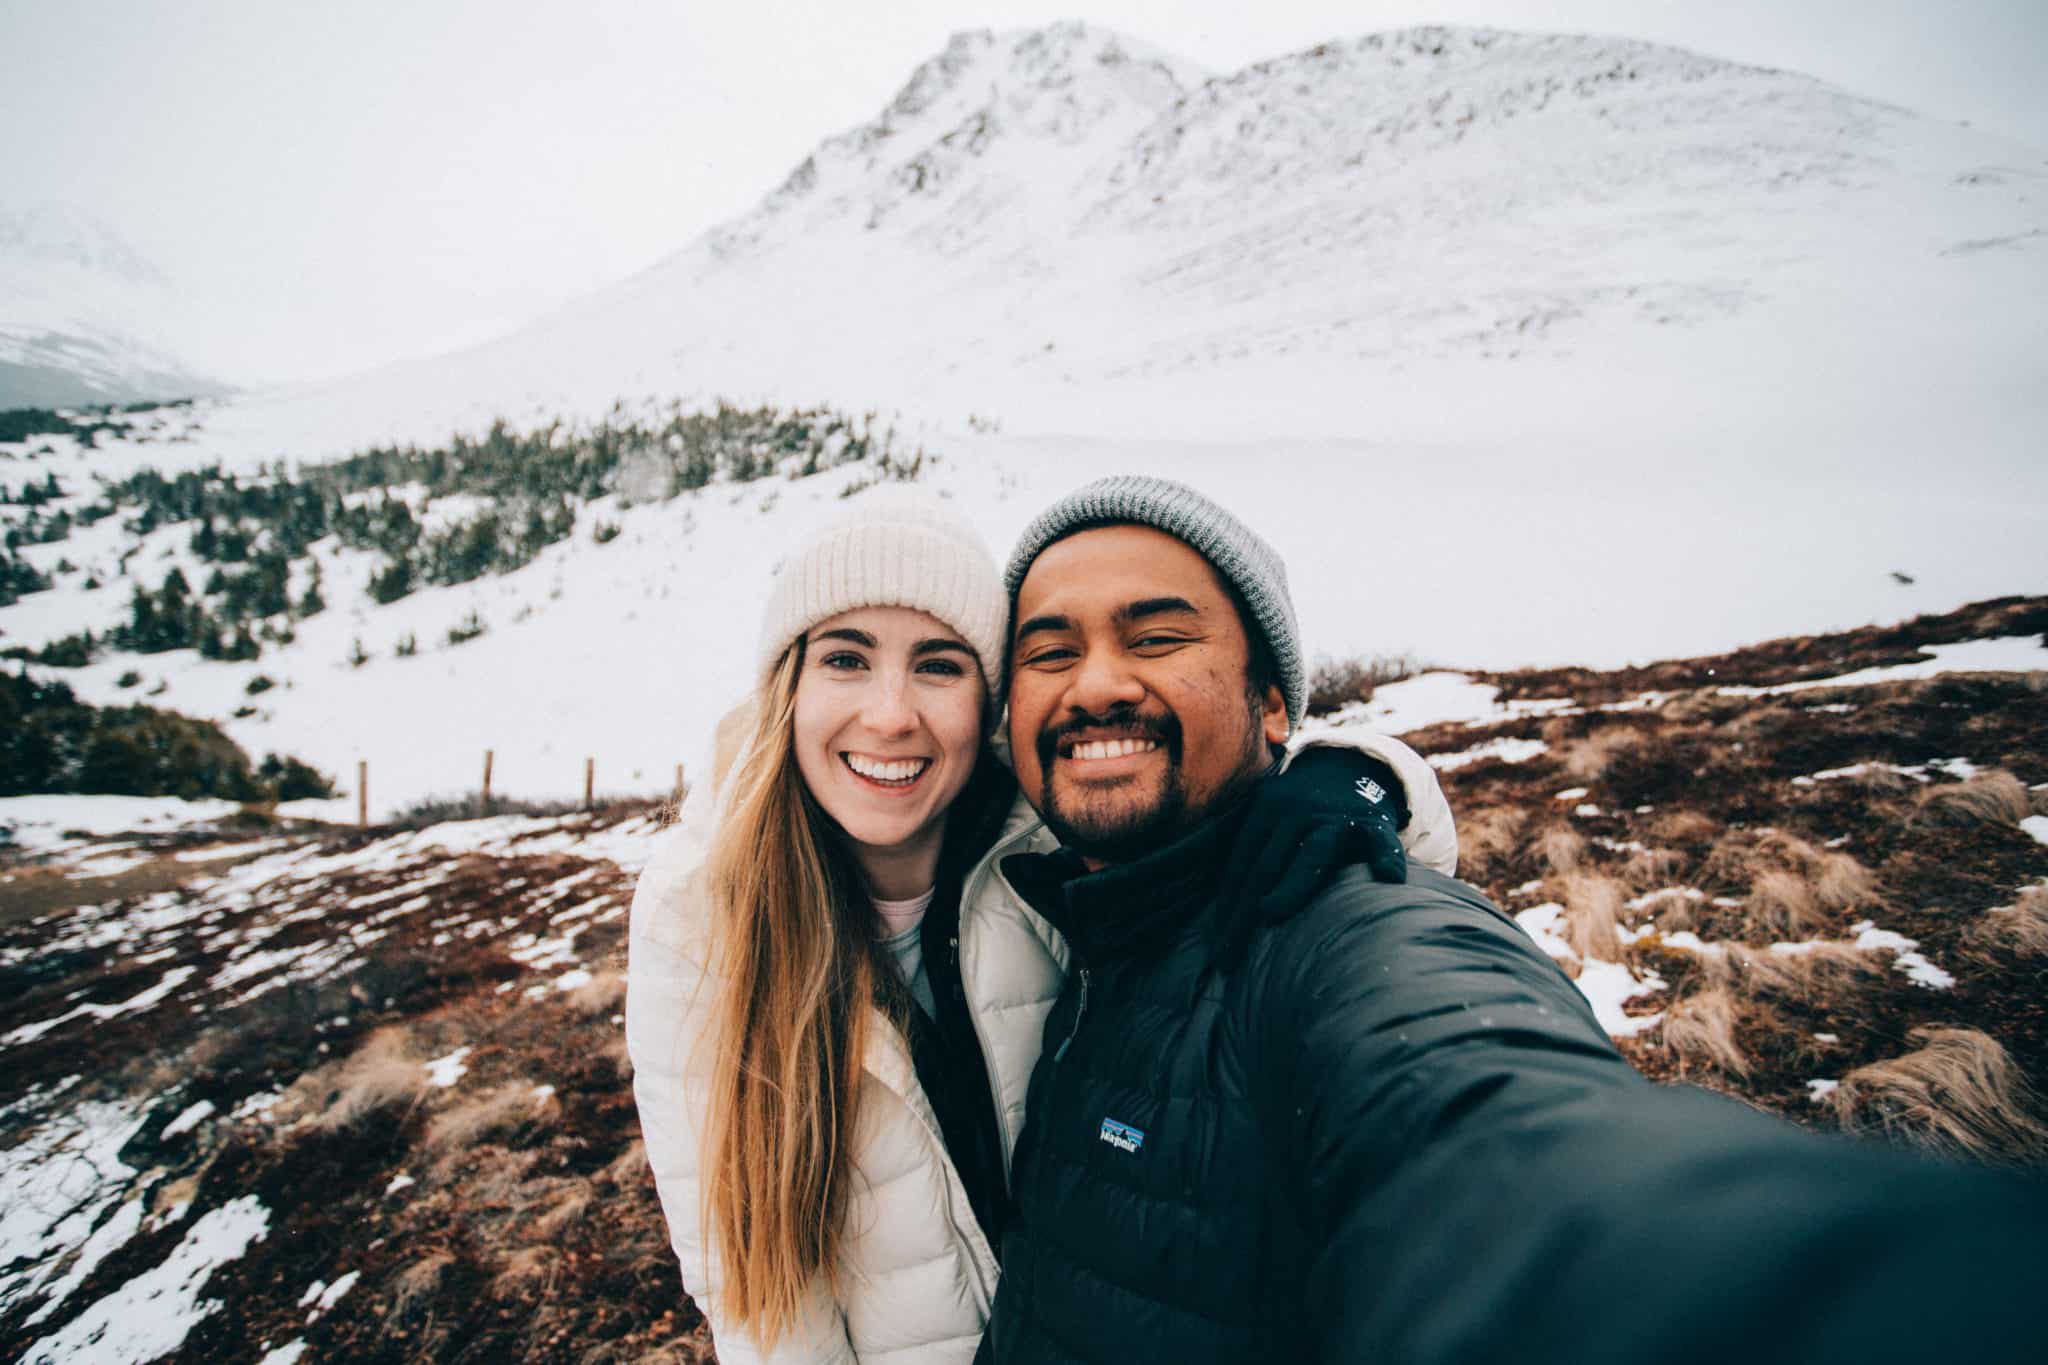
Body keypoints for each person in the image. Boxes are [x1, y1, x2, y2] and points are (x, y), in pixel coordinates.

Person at [978, 474, 2047, 1365]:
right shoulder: (1060, 928)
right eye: (1048, 651)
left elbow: (1497, 1128)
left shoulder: (1342, 935)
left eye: (1157, 637)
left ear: (1272, 705)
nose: (1096, 684)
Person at [626, 492, 1458, 1364]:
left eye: (939, 665)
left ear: (990, 702)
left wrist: (1359, 775)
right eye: (846, 658)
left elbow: (1229, 768)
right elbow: (753, 1289)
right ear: (787, 686)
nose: (890, 714)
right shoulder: (704, 910)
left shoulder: (1055, 833)